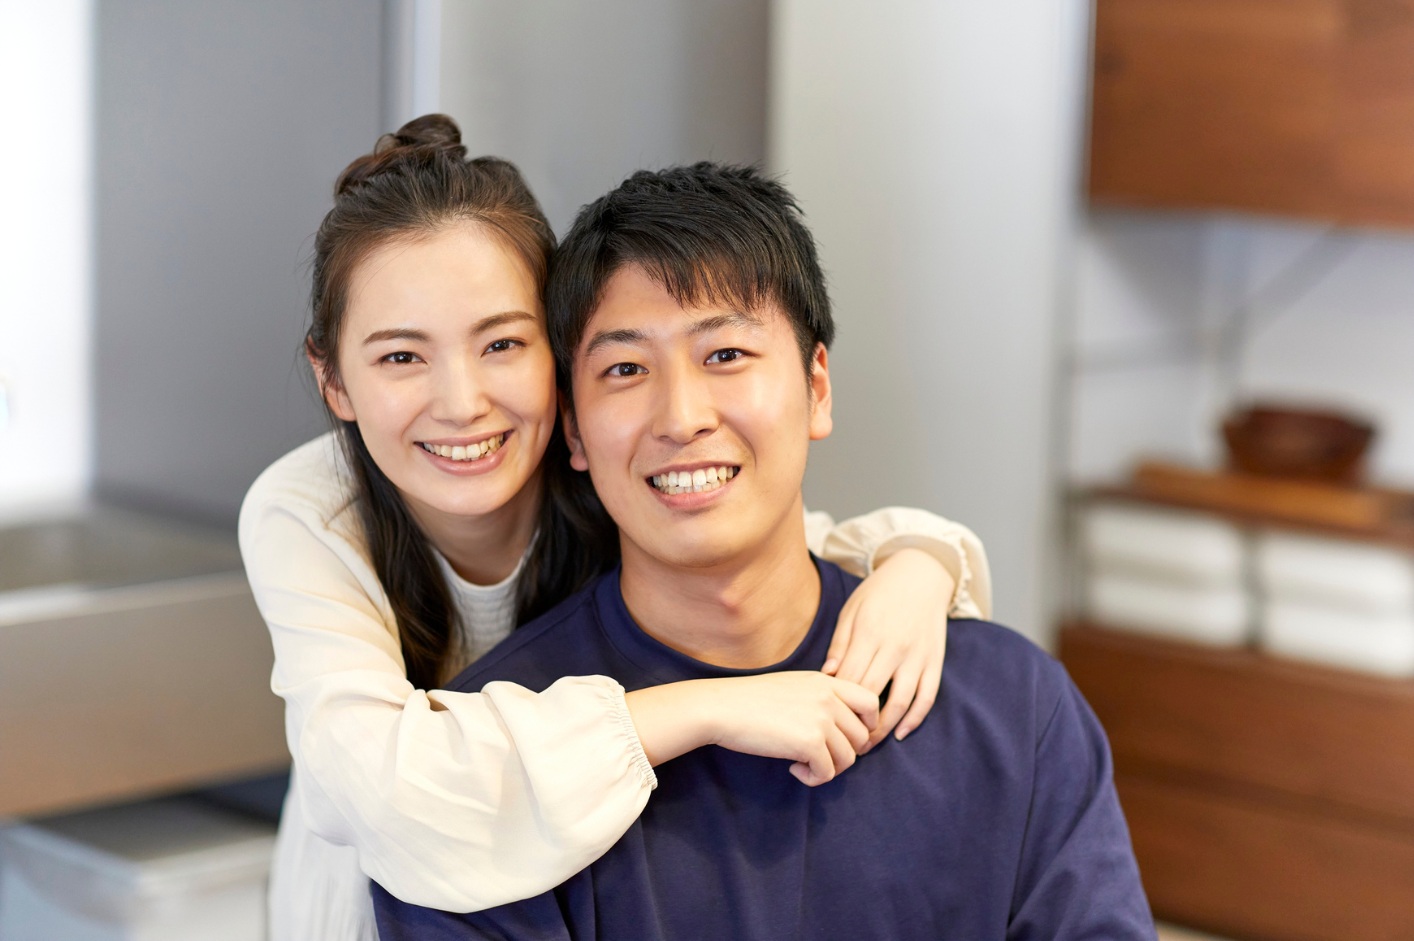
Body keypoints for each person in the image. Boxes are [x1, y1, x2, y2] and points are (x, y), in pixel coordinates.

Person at [238, 117, 993, 941]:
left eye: (501, 343)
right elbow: (376, 787)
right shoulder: (311, 507)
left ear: (561, 358)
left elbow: (781, 543)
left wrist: (919, 563)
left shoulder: (606, 462)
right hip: (376, 893)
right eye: (400, 358)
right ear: (332, 378)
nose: (461, 402)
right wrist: (709, 708)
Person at [372, 163, 1156, 940]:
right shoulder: (487, 773)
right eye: (625, 369)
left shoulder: (1011, 706)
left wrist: (926, 557)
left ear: (817, 386)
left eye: (725, 356)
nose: (681, 416)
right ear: (574, 429)